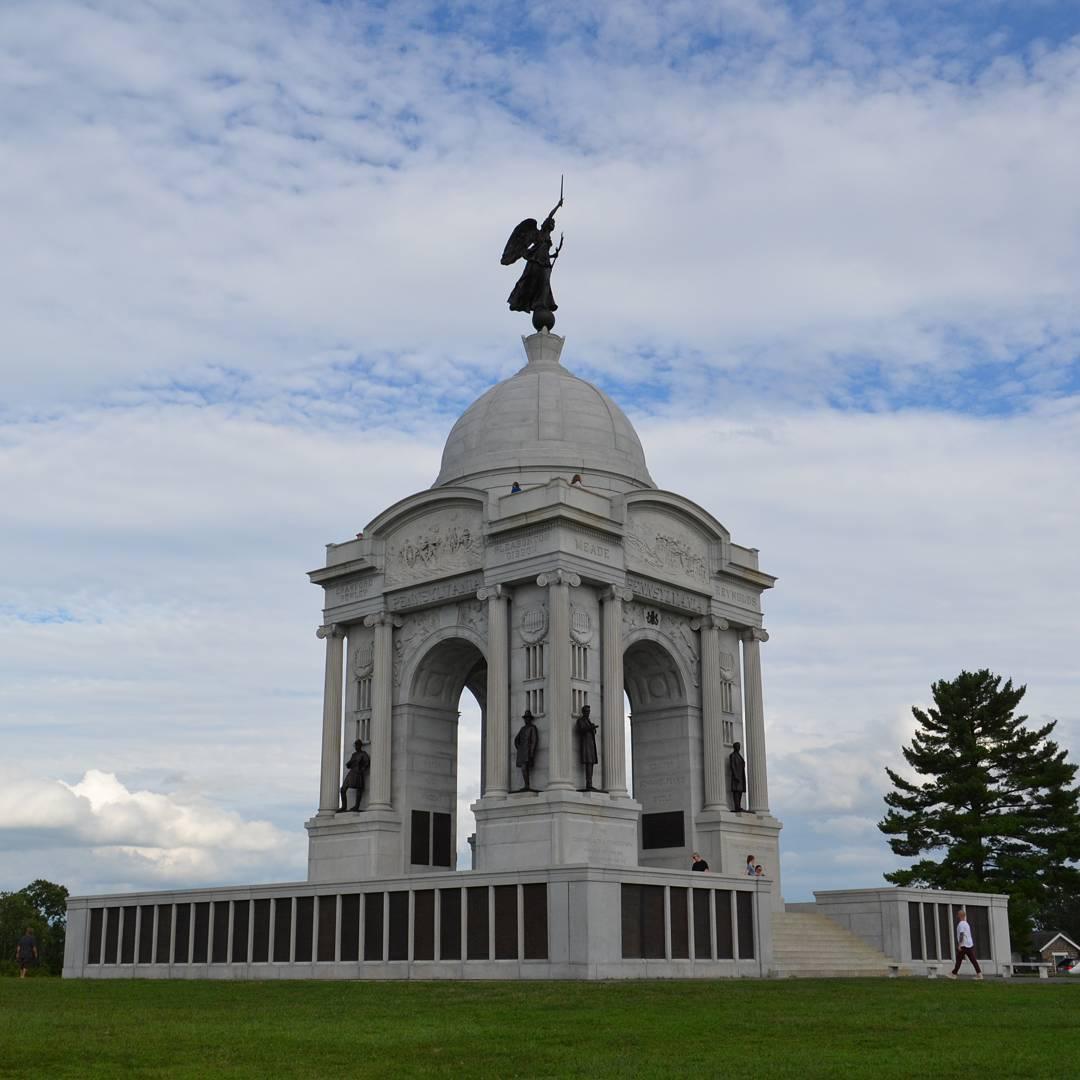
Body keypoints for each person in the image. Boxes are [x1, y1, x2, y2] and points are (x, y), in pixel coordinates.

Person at [948, 909, 983, 979]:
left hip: (964, 945)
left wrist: (960, 945)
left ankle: (954, 974)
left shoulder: (961, 924)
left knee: (959, 959)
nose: (957, 916)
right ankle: (979, 974)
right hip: (969, 944)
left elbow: (961, 934)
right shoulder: (966, 924)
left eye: (958, 915)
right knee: (972, 960)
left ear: (960, 916)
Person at [340, 738, 370, 812]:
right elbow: (350, 763)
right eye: (355, 745)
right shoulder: (354, 754)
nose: (356, 747)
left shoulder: (363, 754)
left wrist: (362, 770)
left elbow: (367, 763)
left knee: (359, 789)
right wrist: (348, 764)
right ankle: (344, 806)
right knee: (343, 789)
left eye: (357, 745)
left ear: (360, 746)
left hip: (358, 773)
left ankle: (356, 806)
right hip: (352, 772)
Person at [514, 709, 539, 790]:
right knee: (523, 769)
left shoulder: (532, 728)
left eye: (527, 718)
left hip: (528, 752)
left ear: (530, 719)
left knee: (525, 768)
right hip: (522, 752)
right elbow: (516, 739)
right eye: (525, 718)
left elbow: (534, 741)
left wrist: (531, 753)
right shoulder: (523, 728)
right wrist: (519, 748)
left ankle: (527, 785)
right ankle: (526, 785)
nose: (526, 719)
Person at [576, 704, 599, 790]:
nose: (588, 713)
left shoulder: (589, 721)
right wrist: (590, 727)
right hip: (586, 747)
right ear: (583, 712)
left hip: (591, 746)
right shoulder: (580, 720)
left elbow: (592, 732)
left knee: (591, 764)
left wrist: (593, 728)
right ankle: (588, 784)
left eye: (589, 711)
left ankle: (590, 783)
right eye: (586, 711)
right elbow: (581, 729)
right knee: (589, 764)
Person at [729, 742, 747, 812]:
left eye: (739, 746)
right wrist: (735, 776)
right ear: (734, 747)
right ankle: (737, 806)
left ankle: (739, 806)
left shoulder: (739, 755)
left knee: (740, 791)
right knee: (736, 792)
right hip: (736, 777)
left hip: (741, 776)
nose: (739, 748)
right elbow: (732, 766)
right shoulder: (732, 755)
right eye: (737, 746)